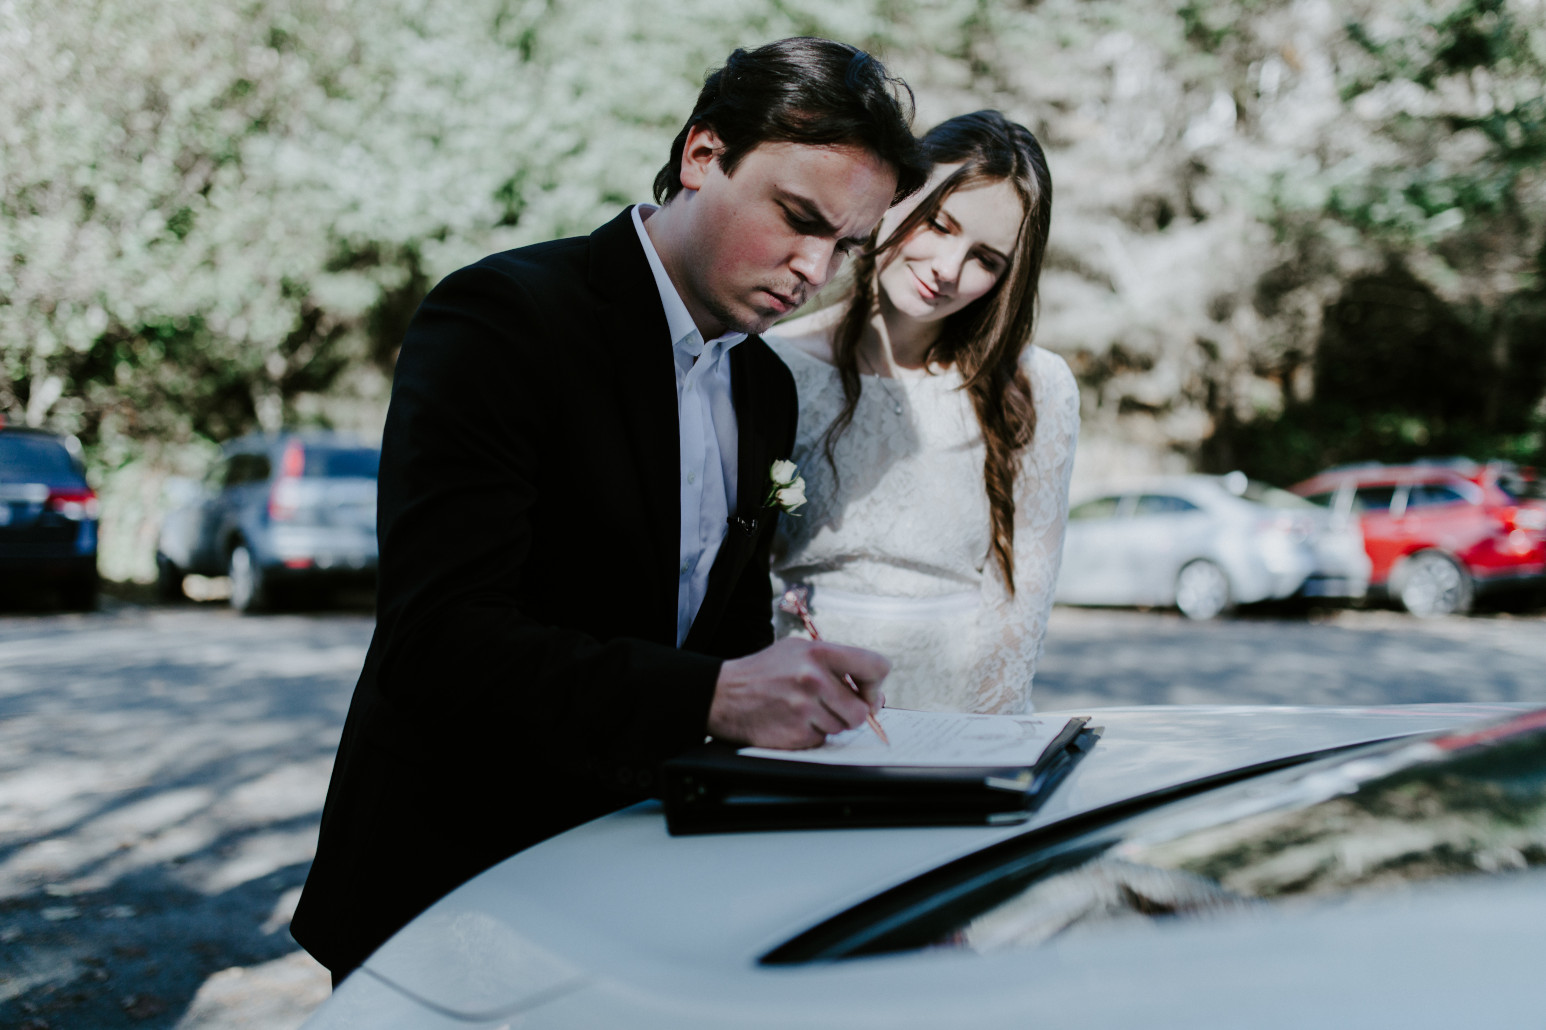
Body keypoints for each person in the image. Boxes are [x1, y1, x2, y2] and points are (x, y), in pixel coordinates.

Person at [291, 38, 929, 983]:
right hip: (454, 875)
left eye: (845, 247)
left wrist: (783, 697)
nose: (812, 268)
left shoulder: (765, 386)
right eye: (798, 218)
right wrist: (712, 698)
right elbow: (438, 640)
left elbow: (713, 630)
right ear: (702, 155)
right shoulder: (501, 319)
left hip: (642, 883)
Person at [766, 110, 1078, 715]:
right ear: (895, 194)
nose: (948, 269)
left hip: (955, 713)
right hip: (802, 701)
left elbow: (1022, 604)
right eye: (938, 223)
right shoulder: (772, 364)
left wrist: (983, 745)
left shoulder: (1034, 385)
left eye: (986, 258)